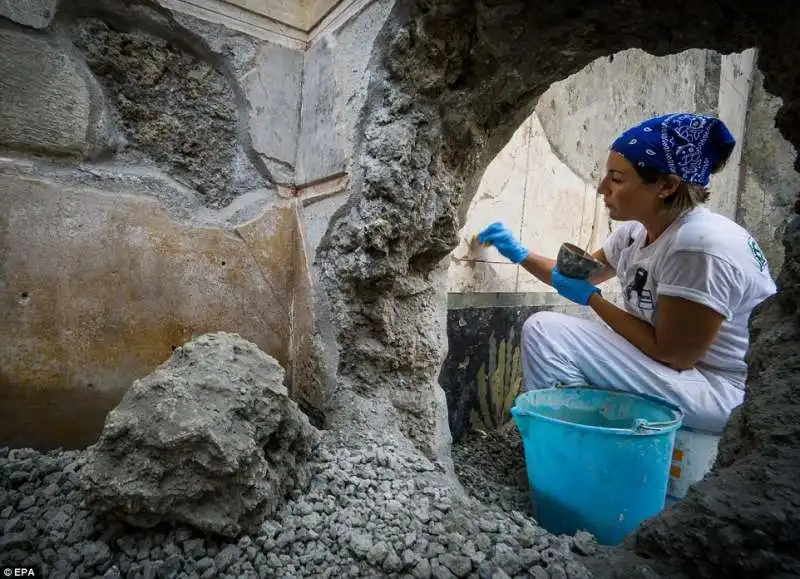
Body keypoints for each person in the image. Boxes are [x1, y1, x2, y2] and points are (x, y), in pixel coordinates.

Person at [477, 113, 777, 433]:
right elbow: (577, 277)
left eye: (617, 179)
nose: (602, 188)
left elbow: (673, 355)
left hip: (723, 392)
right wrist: (519, 254)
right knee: (549, 332)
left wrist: (594, 301)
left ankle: (572, 449)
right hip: (684, 374)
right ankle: (583, 439)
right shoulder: (636, 233)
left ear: (666, 186)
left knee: (545, 332)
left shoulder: (697, 246)